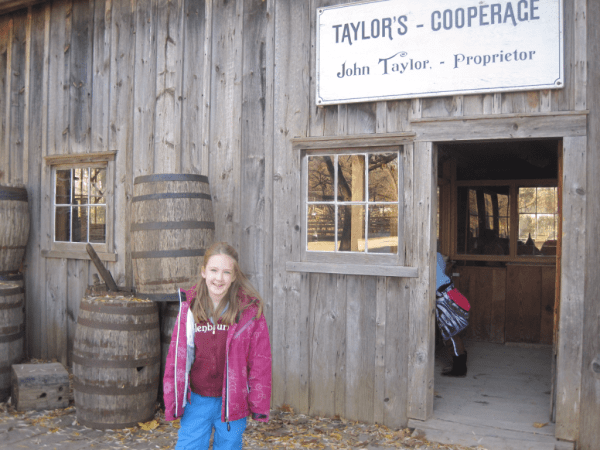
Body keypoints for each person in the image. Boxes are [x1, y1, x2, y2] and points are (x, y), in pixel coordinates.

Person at [163, 242, 272, 450]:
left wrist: (259, 403)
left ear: (234, 276)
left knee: (229, 446)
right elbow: (176, 358)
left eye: (226, 272)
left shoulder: (249, 313)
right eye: (213, 270)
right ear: (204, 272)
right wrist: (174, 399)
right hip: (197, 401)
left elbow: (260, 361)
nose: (219, 278)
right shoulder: (190, 309)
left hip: (232, 402)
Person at [436, 252, 470, 377]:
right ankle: (459, 364)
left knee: (451, 333)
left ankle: (459, 369)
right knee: (454, 332)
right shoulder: (438, 255)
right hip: (451, 290)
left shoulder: (425, 256)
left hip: (443, 297)